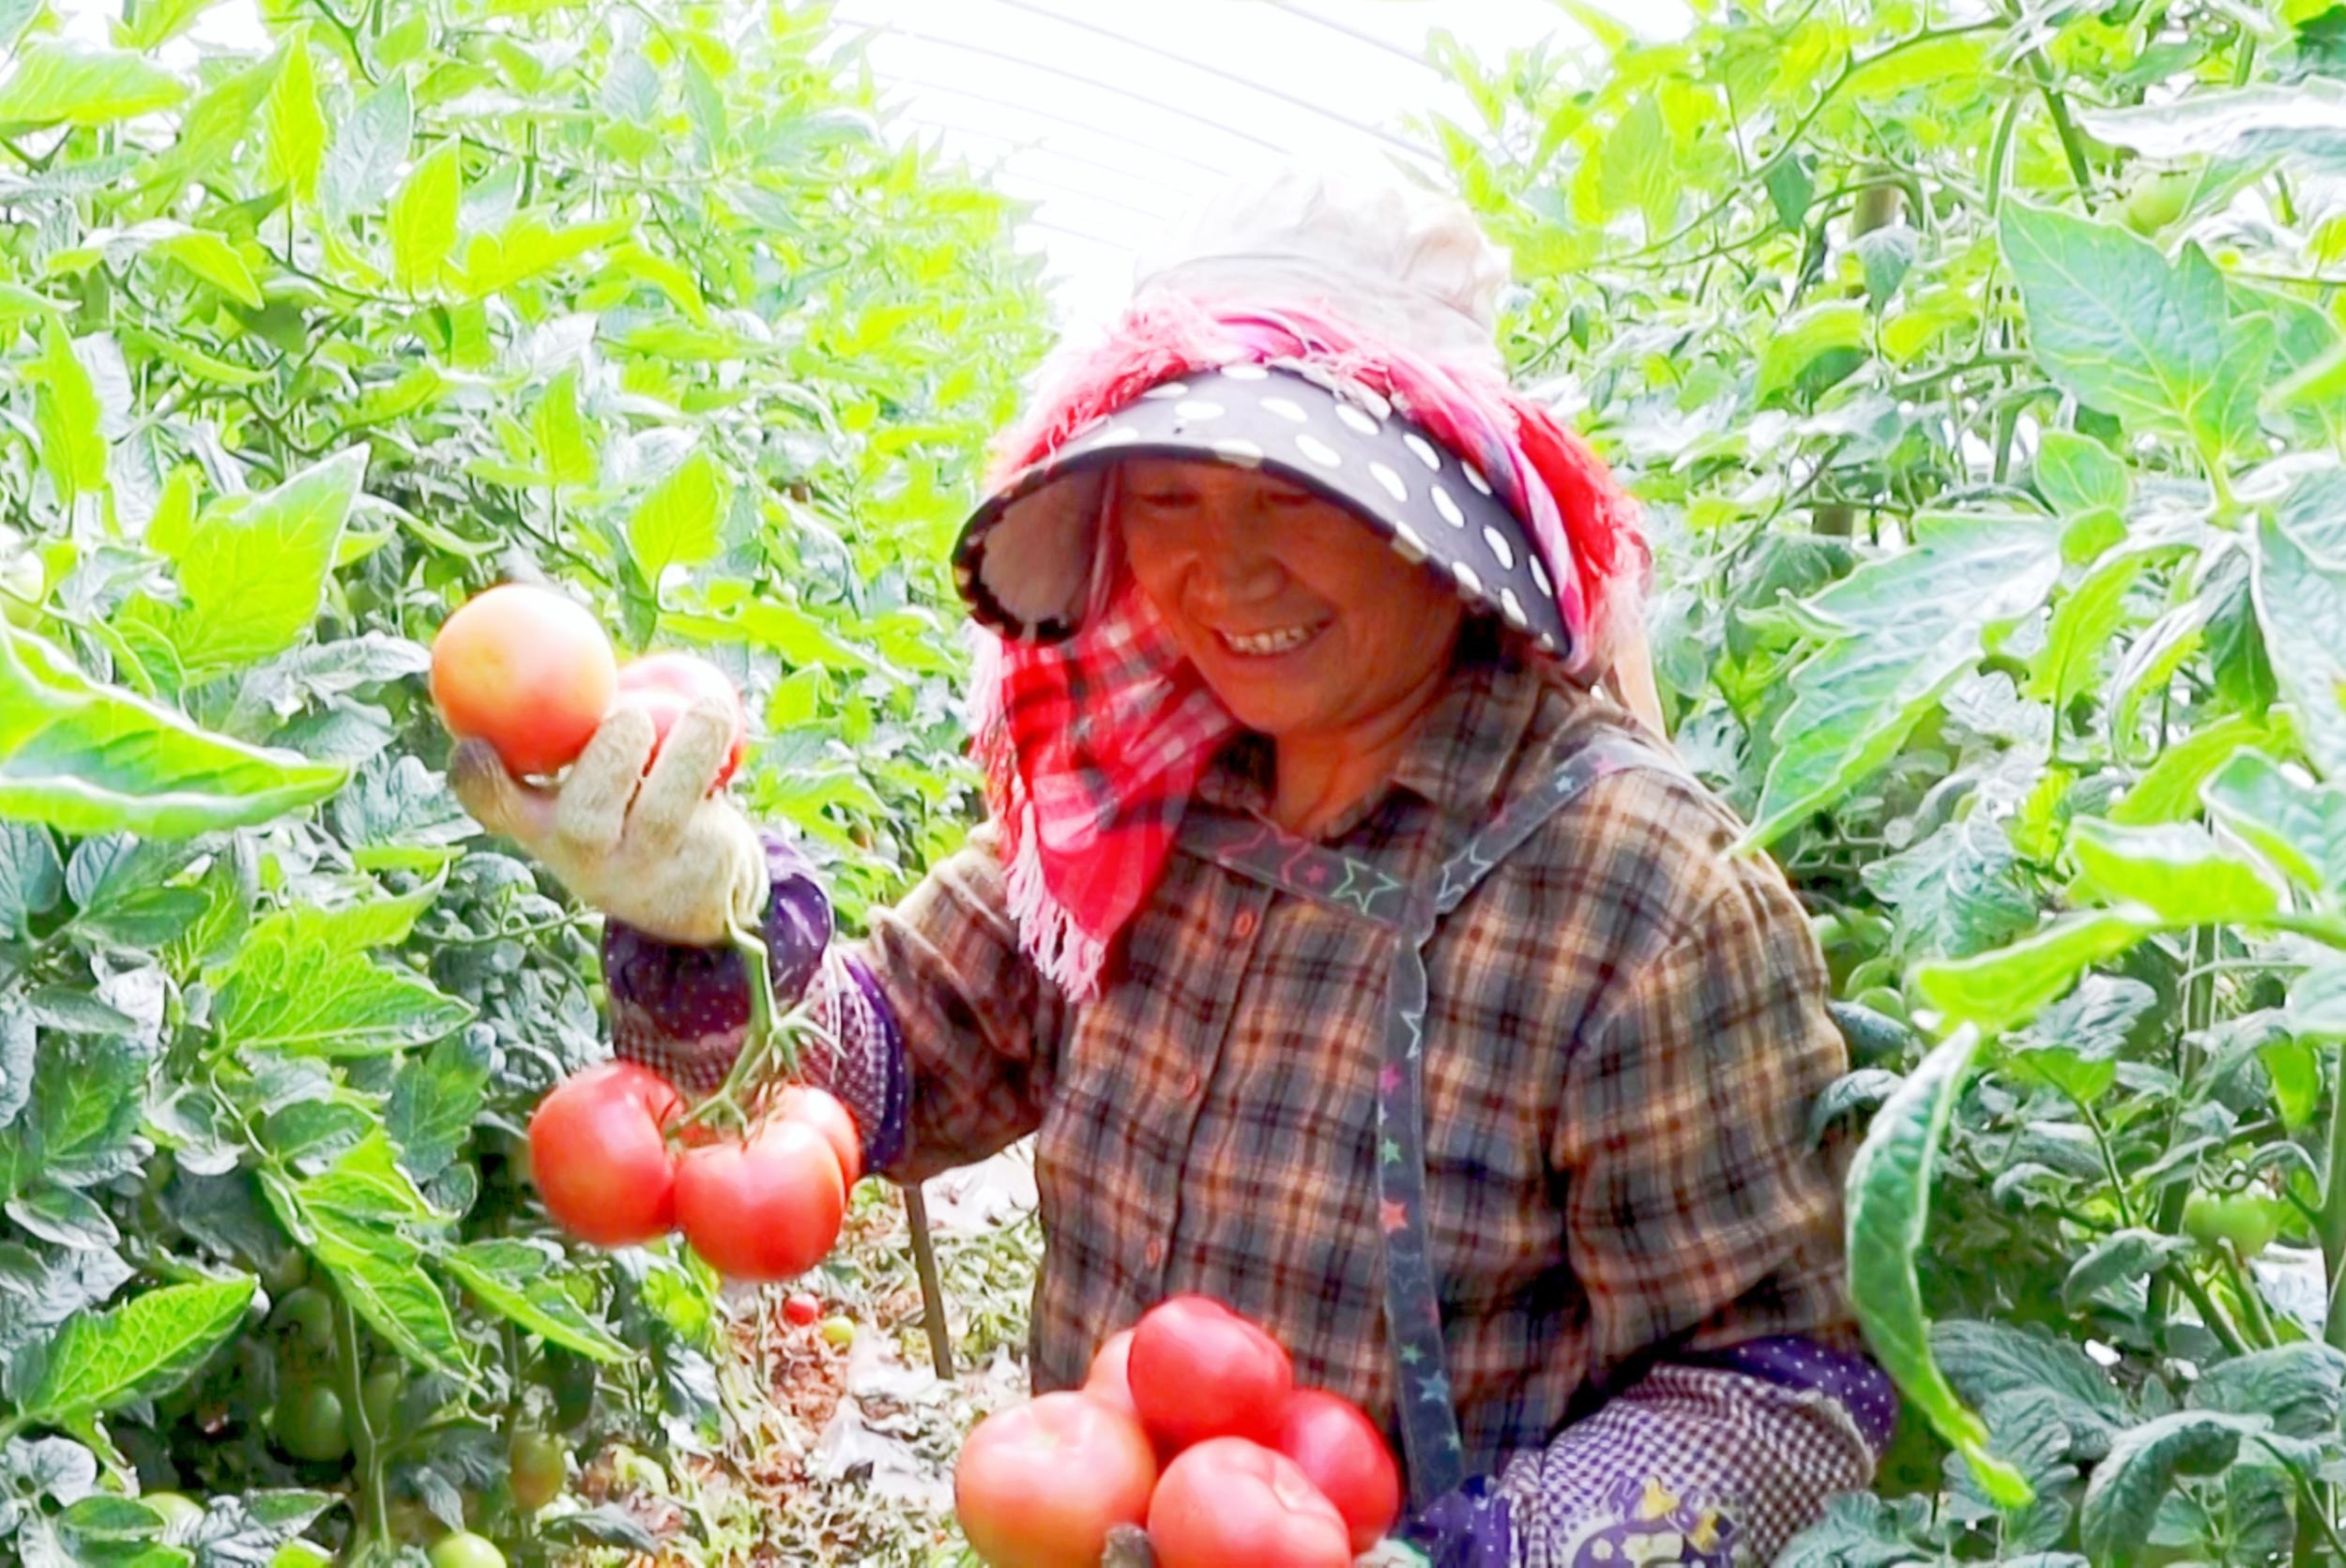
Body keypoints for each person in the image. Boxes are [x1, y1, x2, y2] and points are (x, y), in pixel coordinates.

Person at [450, 160, 1893, 1566]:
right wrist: (707, 913)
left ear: (1436, 522)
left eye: (1300, 496)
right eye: (1172, 500)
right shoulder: (1142, 792)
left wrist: (1496, 1551)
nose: (1228, 570)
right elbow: (887, 1064)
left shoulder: (1642, 897)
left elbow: (1777, 1385)